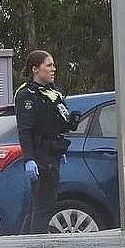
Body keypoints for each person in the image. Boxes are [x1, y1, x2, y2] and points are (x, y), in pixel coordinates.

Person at [14, 50, 80, 233]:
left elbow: (59, 122)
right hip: (41, 155)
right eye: (49, 65)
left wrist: (71, 121)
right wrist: (29, 158)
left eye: (53, 65)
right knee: (44, 207)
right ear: (36, 69)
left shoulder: (53, 92)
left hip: (54, 153)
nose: (54, 69)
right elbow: (25, 130)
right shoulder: (27, 94)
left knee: (39, 206)